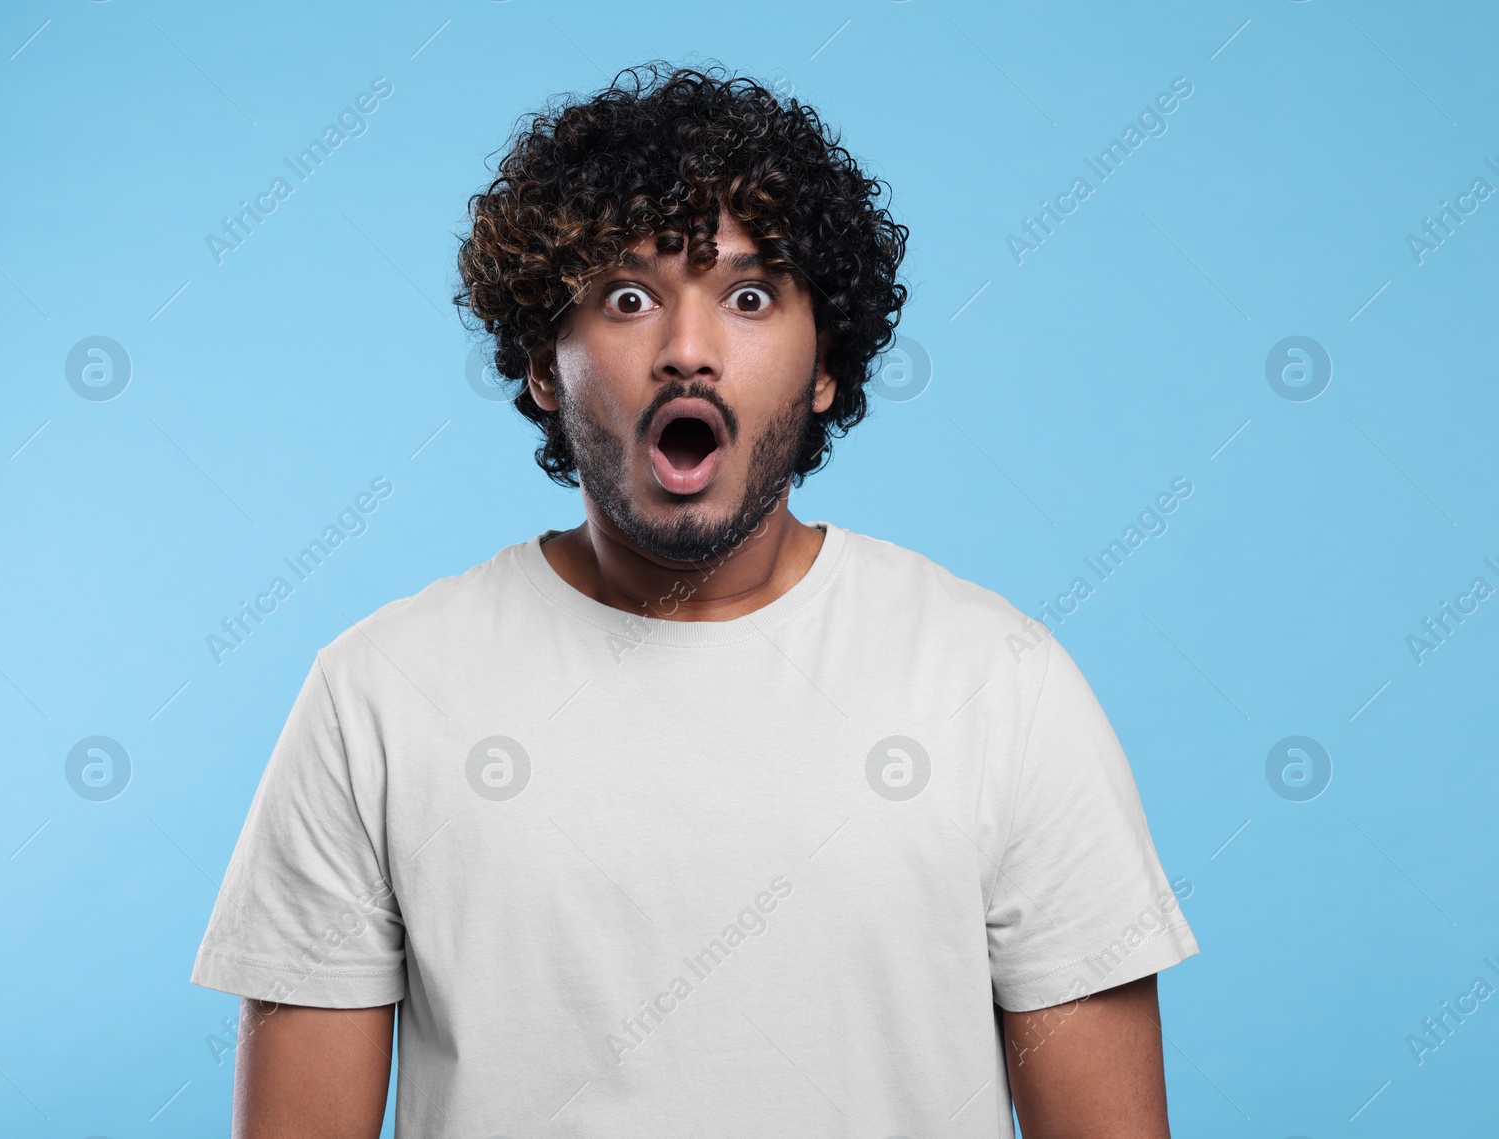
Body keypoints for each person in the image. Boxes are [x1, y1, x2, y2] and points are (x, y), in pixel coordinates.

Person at [191, 62, 1198, 1138]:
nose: (686, 349)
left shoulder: (999, 685)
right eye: (627, 299)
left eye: (750, 296)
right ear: (543, 362)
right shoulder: (379, 697)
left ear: (825, 365)